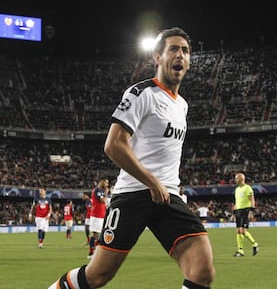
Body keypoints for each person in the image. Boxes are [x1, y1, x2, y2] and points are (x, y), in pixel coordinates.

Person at [48, 27, 215, 289]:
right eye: (173, 49)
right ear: (157, 58)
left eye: (185, 50)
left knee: (202, 269)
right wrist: (152, 181)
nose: (180, 55)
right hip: (134, 195)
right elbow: (114, 145)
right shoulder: (142, 93)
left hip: (167, 196)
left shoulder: (182, 104)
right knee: (98, 275)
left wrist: (165, 185)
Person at [232, 172, 259, 257]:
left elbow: (252, 199)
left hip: (245, 210)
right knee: (238, 231)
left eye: (237, 178)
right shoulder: (237, 189)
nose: (235, 180)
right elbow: (237, 201)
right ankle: (240, 251)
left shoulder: (247, 188)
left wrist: (251, 211)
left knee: (243, 231)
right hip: (238, 211)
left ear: (241, 179)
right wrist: (233, 213)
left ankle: (254, 244)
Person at [87, 177, 110, 258]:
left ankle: (94, 251)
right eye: (106, 183)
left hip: (100, 214)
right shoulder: (98, 190)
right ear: (102, 181)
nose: (107, 185)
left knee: (97, 234)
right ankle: (91, 253)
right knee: (95, 234)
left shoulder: (100, 190)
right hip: (97, 214)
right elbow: (102, 200)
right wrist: (106, 193)